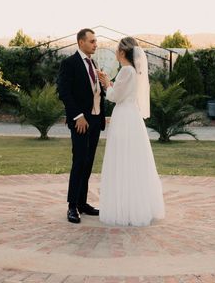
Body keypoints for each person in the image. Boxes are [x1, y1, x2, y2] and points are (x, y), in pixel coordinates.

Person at [98, 37, 165, 226]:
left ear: (122, 52)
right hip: (132, 116)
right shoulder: (134, 72)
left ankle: (124, 208)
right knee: (133, 159)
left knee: (121, 158)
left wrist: (106, 83)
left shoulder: (125, 71)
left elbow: (114, 96)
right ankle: (136, 205)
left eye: (117, 50)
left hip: (123, 117)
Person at [57, 28, 106, 224]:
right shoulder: (69, 63)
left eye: (95, 41)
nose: (95, 44)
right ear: (81, 42)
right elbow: (64, 92)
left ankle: (82, 203)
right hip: (80, 122)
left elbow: (93, 91)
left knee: (88, 163)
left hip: (95, 120)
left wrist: (101, 85)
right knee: (78, 162)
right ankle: (71, 206)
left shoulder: (93, 62)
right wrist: (78, 116)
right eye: (92, 41)